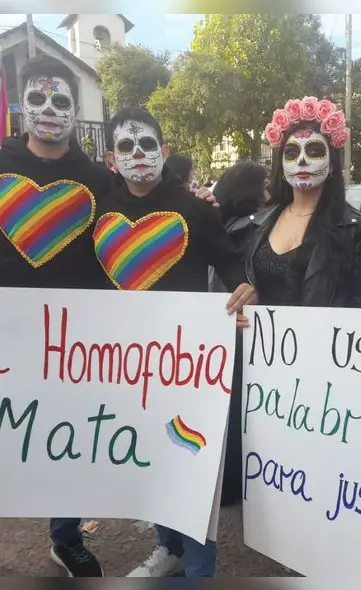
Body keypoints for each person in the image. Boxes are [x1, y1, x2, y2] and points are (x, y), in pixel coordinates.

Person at [95, 108, 256, 578]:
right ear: (111, 158)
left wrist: (245, 290)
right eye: (126, 147)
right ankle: (168, 548)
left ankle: (200, 566)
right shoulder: (102, 213)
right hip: (125, 362)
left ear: (164, 152)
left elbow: (231, 266)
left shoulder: (195, 210)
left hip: (187, 361)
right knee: (147, 458)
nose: (138, 155)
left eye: (147, 144)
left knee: (190, 461)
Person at [0, 53, 112, 578]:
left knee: (67, 434)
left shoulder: (96, 177)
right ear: (23, 104)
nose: (50, 109)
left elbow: (117, 243)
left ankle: (65, 538)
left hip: (75, 336)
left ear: (75, 107)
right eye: (39, 98)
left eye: (61, 99)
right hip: (8, 328)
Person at [247, 95, 361, 308]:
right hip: (264, 339)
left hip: (324, 340)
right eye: (291, 153)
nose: (302, 160)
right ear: (281, 166)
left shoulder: (354, 229)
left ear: (332, 165)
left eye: (314, 151)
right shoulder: (256, 225)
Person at [206, 159, 270, 507]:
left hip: (222, 330)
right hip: (242, 329)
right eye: (264, 186)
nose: (269, 192)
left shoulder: (220, 223)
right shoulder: (251, 230)